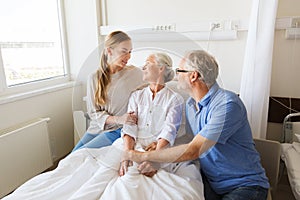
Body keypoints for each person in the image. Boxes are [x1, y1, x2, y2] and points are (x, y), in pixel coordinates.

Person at [124, 50, 270, 200]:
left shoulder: (227, 105)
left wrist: (144, 156)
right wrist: (159, 146)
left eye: (179, 71)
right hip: (212, 183)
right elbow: (190, 138)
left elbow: (194, 149)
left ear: (193, 76)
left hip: (244, 185)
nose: (175, 75)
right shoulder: (191, 105)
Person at [72, 31, 144, 152]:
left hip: (117, 131)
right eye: (124, 51)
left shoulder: (134, 73)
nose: (128, 56)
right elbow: (93, 113)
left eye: (130, 52)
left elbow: (159, 78)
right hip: (96, 128)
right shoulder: (94, 77)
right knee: (72, 156)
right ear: (109, 51)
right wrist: (118, 118)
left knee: (80, 155)